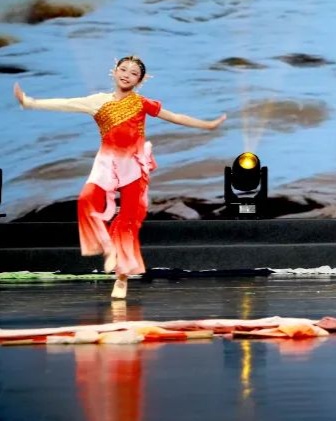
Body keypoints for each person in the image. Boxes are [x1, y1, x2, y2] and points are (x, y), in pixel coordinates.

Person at [13, 57, 226, 300]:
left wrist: (208, 125)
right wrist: (29, 102)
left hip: (134, 166)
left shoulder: (141, 103)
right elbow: (66, 104)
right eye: (123, 69)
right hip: (107, 163)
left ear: (140, 80)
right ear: (114, 72)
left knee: (128, 221)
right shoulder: (98, 101)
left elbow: (175, 116)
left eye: (133, 73)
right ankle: (108, 248)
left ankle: (122, 278)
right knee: (86, 201)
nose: (126, 75)